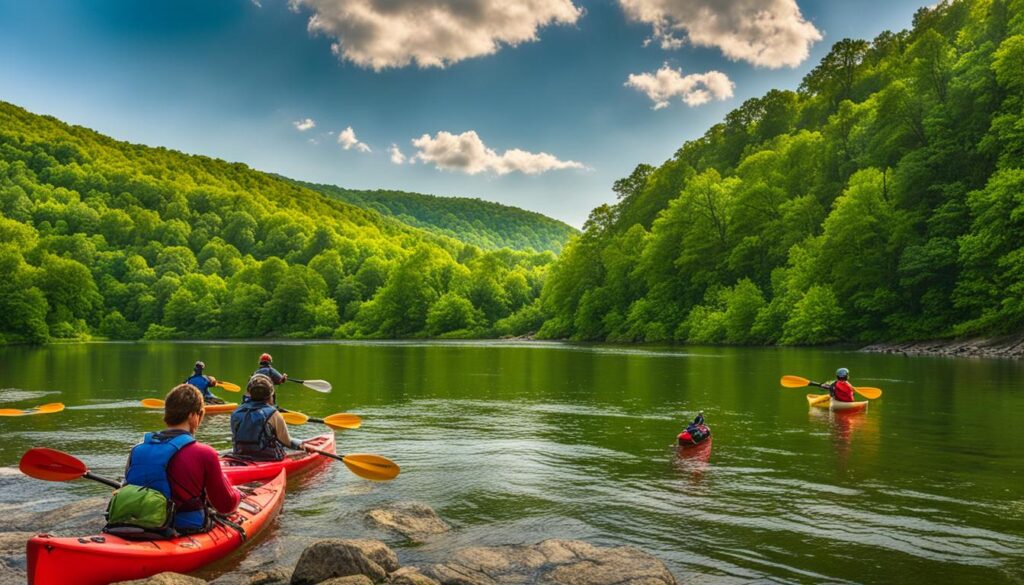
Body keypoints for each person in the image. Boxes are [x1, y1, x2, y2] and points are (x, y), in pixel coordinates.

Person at [107, 384, 240, 538]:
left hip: (136, 524)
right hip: (185, 528)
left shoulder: (138, 449)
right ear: (193, 416)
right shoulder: (205, 453)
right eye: (199, 414)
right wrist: (238, 494)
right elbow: (225, 505)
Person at [230, 374, 314, 461]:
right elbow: (286, 442)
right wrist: (300, 444)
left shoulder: (236, 412)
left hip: (240, 455)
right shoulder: (273, 413)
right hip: (267, 457)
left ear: (249, 392)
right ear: (270, 394)